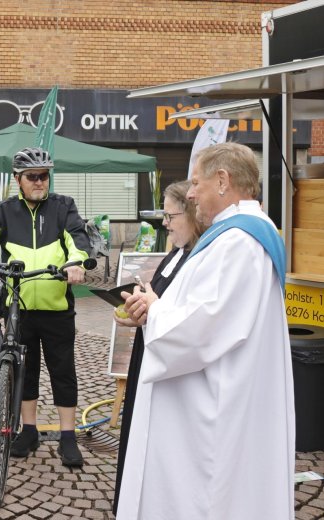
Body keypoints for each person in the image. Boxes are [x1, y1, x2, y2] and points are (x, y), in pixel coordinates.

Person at [116, 142, 294, 520]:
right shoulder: (238, 235)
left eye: (197, 183)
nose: (191, 193)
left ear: (223, 180)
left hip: (212, 411)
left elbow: (203, 328)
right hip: (224, 393)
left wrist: (155, 309)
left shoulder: (238, 243)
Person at [0, 147, 91, 467]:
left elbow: (77, 239)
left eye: (45, 175)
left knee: (63, 372)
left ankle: (68, 437)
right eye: (33, 176)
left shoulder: (63, 206)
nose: (40, 181)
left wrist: (76, 263)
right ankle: (28, 430)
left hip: (57, 306)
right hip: (19, 305)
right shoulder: (4, 211)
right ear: (18, 180)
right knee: (25, 371)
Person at [111, 180, 204, 514]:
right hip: (148, 353)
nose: (165, 223)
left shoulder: (199, 258)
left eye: (170, 215)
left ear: (192, 213)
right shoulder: (177, 251)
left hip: (168, 364)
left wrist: (150, 308)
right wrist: (136, 309)